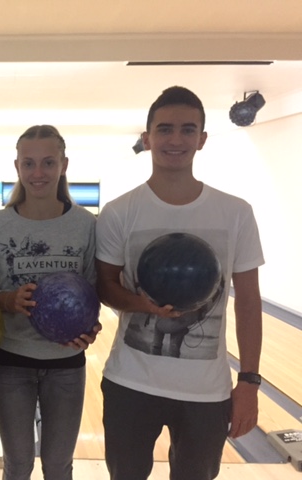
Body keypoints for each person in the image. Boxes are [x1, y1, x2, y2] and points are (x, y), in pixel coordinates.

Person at [96, 86, 264, 480]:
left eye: (188, 130)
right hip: (129, 382)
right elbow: (104, 287)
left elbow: (249, 302)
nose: (176, 139)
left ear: (202, 139)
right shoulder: (120, 212)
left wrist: (250, 383)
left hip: (206, 392)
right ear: (147, 137)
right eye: (165, 129)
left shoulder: (236, 213)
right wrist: (143, 305)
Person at [0, 125, 99, 480]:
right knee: (17, 464)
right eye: (29, 164)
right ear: (17, 167)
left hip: (67, 363)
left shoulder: (85, 225)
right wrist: (6, 299)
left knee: (59, 466)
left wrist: (89, 328)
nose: (38, 172)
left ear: (64, 164)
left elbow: (94, 289)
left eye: (48, 162)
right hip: (12, 362)